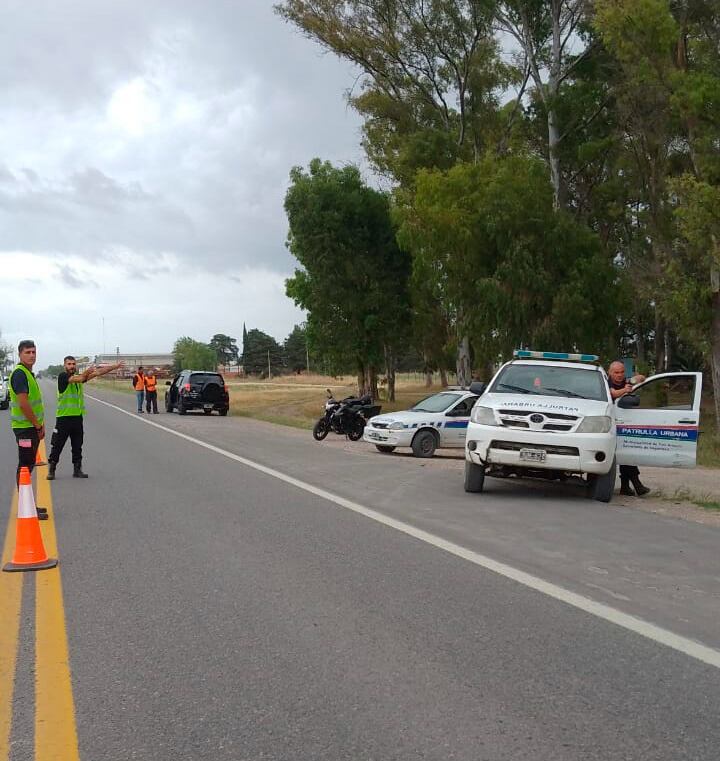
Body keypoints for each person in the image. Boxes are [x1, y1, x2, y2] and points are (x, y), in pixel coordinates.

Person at [47, 356, 124, 480]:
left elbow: (98, 372)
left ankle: (77, 470)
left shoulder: (78, 380)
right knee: (58, 445)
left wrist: (115, 366)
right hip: (63, 418)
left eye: (73, 364)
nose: (72, 366)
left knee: (77, 445)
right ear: (64, 366)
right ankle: (52, 469)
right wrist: (88, 371)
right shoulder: (63, 376)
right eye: (69, 364)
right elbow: (81, 377)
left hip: (77, 418)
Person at [8, 340, 48, 519]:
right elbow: (24, 404)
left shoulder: (28, 373)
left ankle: (29, 505)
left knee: (28, 465)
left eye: (33, 352)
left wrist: (41, 425)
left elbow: (34, 403)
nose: (32, 355)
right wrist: (37, 425)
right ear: (20, 354)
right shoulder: (19, 374)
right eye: (27, 352)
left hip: (31, 428)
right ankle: (26, 508)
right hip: (25, 429)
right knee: (25, 466)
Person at [608, 360, 649, 496]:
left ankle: (626, 487)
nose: (619, 375)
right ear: (610, 372)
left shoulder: (626, 380)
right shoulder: (606, 381)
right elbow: (613, 393)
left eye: (622, 372)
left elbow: (642, 378)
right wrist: (625, 390)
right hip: (610, 422)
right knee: (625, 453)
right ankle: (636, 485)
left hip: (625, 421)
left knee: (626, 452)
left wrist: (633, 380)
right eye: (616, 372)